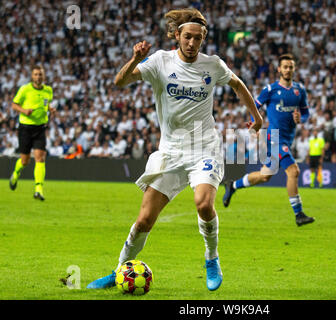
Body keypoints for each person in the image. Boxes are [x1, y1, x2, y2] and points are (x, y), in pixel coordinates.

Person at [87, 8, 263, 291]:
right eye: (188, 37)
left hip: (204, 147)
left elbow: (238, 85)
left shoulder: (213, 65)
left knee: (204, 203)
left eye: (198, 38)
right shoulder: (160, 61)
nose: (193, 43)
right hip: (170, 152)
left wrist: (257, 117)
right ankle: (119, 270)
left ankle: (211, 258)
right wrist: (135, 58)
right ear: (177, 35)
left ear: (203, 39)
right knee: (144, 220)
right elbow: (120, 81)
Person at [222, 53, 314, 227]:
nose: (288, 69)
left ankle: (233, 186)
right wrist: (254, 124)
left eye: (291, 67)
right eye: (285, 66)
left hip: (288, 138)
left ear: (294, 69)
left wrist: (300, 118)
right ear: (279, 69)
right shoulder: (270, 90)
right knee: (293, 171)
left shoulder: (299, 90)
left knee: (266, 175)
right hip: (274, 137)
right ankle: (299, 214)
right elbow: (254, 106)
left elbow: (306, 112)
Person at [9, 65, 55, 200]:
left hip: (40, 128)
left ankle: (38, 189)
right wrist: (24, 111)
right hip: (25, 128)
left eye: (40, 74)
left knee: (40, 158)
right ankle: (16, 174)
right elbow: (14, 104)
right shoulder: (25, 89)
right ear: (32, 76)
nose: (38, 77)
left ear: (44, 76)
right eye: (35, 74)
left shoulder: (48, 90)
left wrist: (50, 109)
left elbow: (45, 104)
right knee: (25, 161)